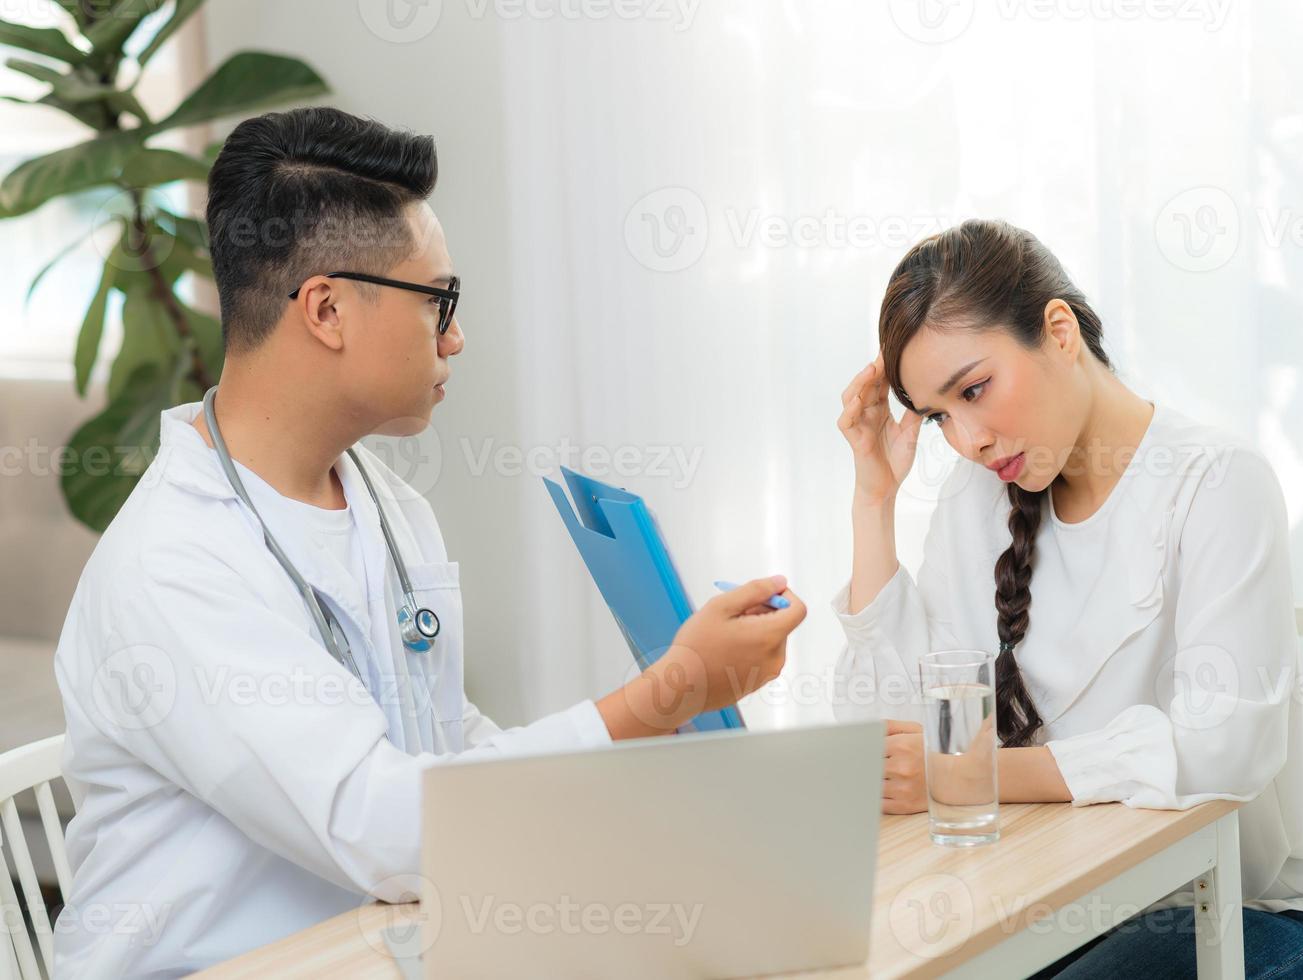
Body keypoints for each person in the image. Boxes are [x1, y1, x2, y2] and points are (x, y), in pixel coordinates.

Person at [51, 106, 806, 978]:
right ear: (327, 309)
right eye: (438, 301)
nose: (456, 338)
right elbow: (383, 831)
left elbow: (447, 760)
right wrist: (660, 697)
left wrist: (661, 724)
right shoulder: (173, 564)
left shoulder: (388, 506)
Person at [832, 219, 1303, 977]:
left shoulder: (1217, 481)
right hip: (1095, 902)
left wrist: (977, 776)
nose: (967, 439)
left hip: (1270, 919)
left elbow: (1227, 748)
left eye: (975, 390)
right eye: (938, 418)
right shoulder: (978, 502)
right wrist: (873, 501)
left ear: (1058, 331)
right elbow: (903, 740)